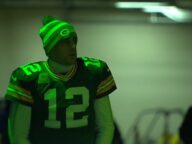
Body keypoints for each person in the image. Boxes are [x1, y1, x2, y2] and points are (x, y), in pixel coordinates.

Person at [4, 16, 117, 144]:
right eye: (65, 42)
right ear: (50, 47)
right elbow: (18, 134)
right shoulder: (28, 77)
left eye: (74, 40)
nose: (72, 46)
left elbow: (106, 126)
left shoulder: (94, 71)